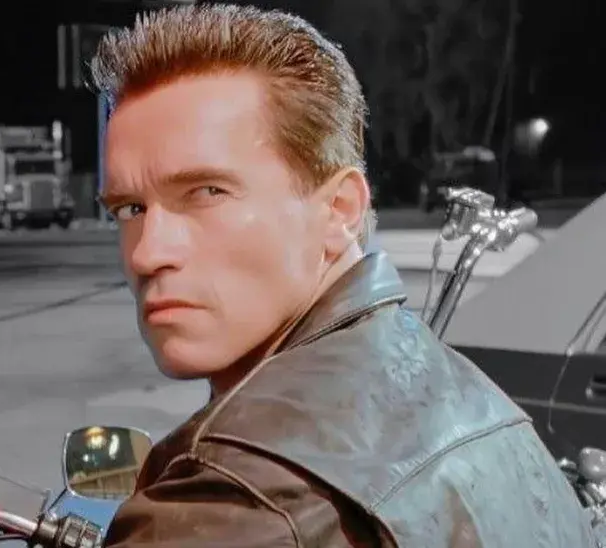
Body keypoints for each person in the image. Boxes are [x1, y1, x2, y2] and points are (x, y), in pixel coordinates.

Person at [92, 4, 596, 546]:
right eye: (130, 209)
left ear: (339, 210)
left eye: (206, 192)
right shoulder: (484, 406)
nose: (147, 254)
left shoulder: (237, 500)